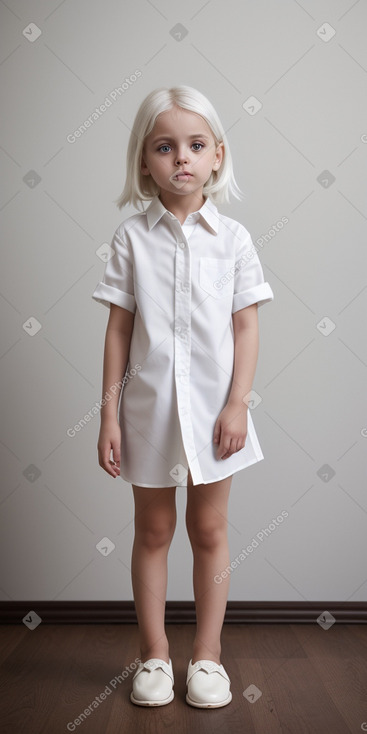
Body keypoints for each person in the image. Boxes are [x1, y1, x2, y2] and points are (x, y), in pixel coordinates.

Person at [92, 85, 274, 708]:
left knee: (211, 528)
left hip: (215, 414)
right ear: (145, 160)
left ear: (217, 155)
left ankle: (207, 656)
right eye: (165, 147)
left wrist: (237, 403)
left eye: (195, 146)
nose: (181, 159)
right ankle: (153, 656)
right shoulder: (131, 239)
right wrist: (109, 413)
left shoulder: (235, 239)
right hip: (146, 413)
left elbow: (246, 325)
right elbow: (119, 328)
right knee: (152, 530)